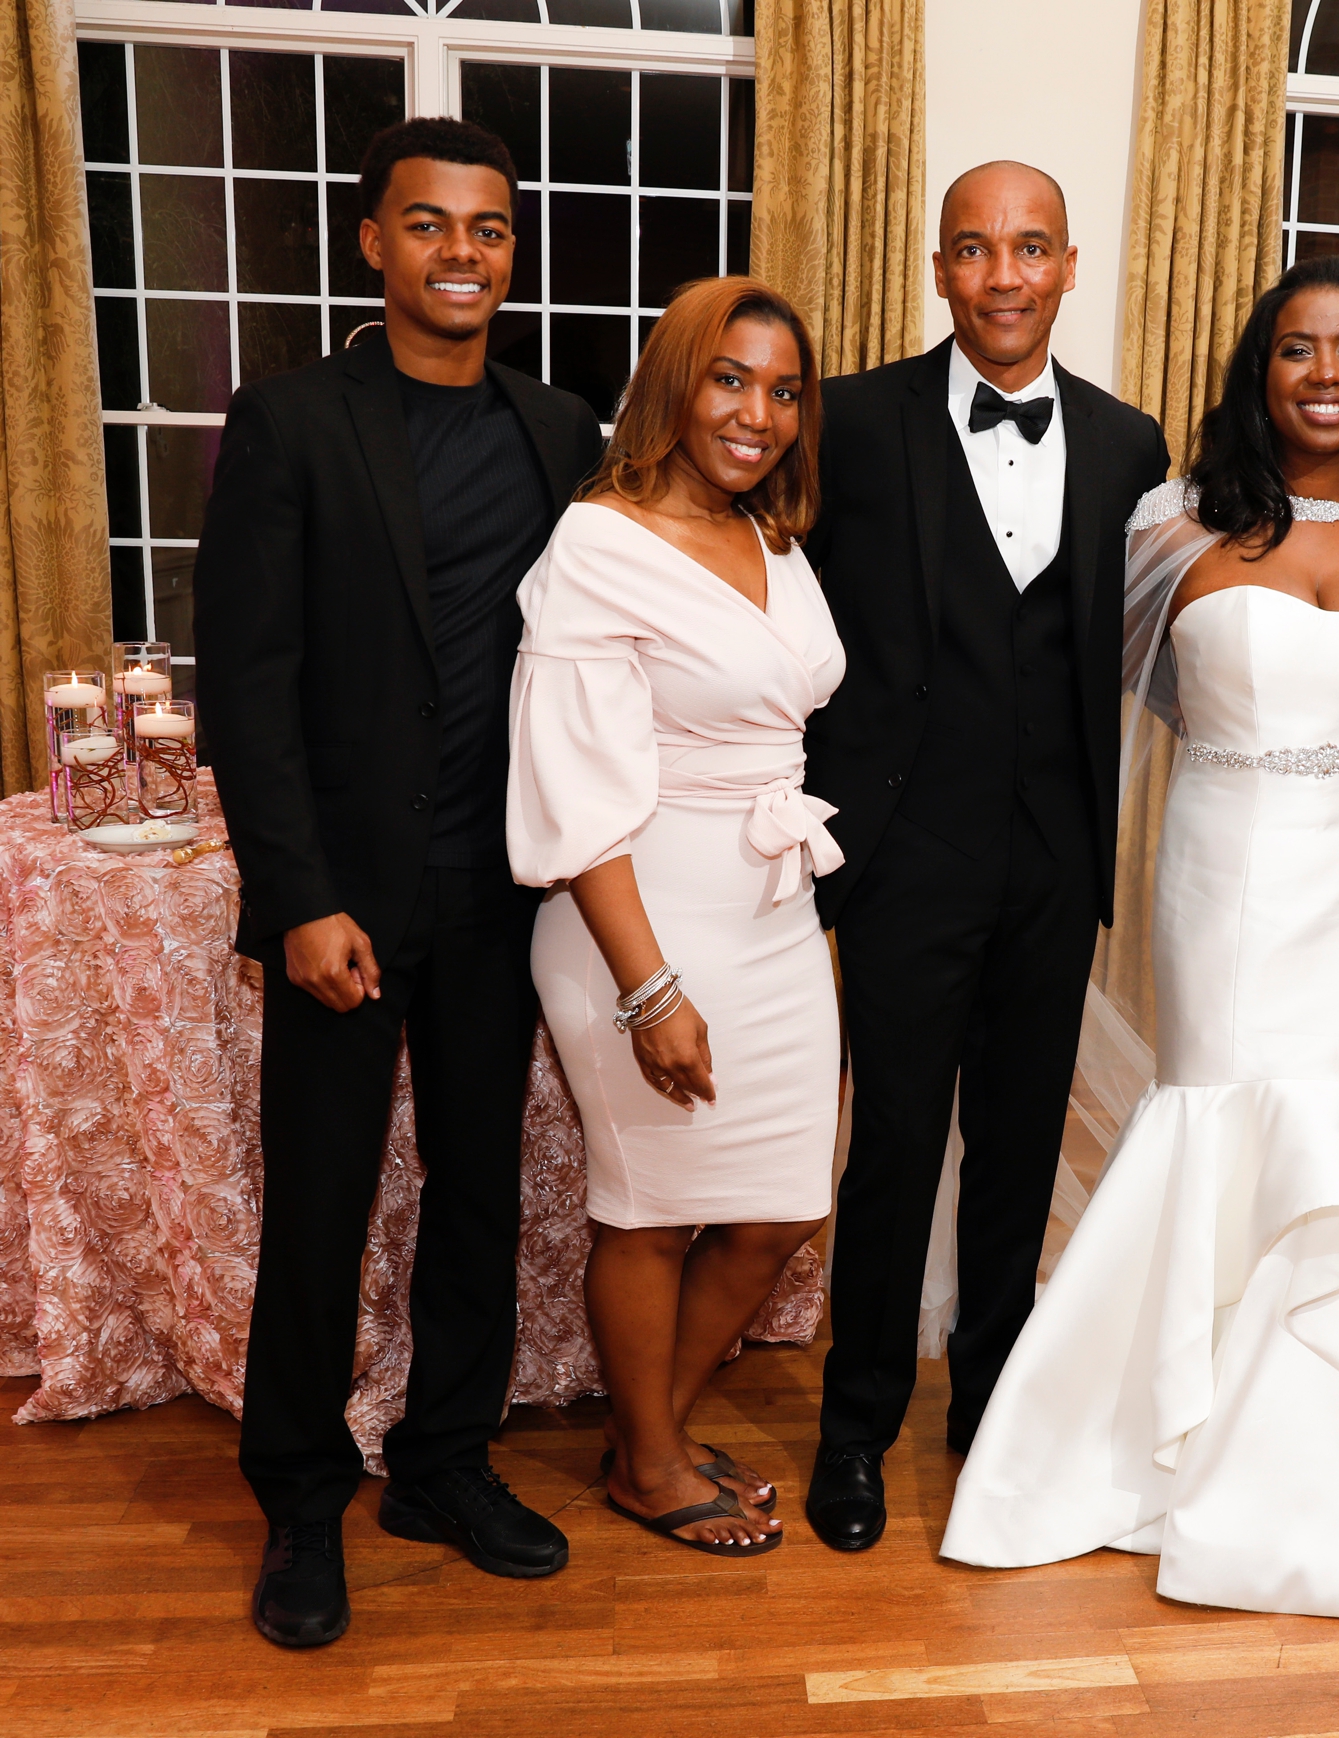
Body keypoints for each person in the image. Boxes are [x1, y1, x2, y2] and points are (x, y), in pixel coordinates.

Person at [940, 253, 1339, 1618]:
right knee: (1220, 1106)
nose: (1325, 374)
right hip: (1223, 871)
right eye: (1298, 348)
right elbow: (1112, 693)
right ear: (1260, 371)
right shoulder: (1173, 523)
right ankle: (1163, 1423)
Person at [195, 118, 603, 1648]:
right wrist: (297, 895)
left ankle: (443, 1462)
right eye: (429, 224)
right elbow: (248, 680)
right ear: (374, 241)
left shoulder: (557, 429)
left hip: (501, 895)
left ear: (513, 250)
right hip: (346, 903)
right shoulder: (292, 419)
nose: (461, 252)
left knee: (479, 1194)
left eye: (488, 228)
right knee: (321, 1201)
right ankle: (301, 1497)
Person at [800, 162, 1169, 1553]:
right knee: (895, 1144)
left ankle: (994, 1407)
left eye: (1028, 248)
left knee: (1019, 1144)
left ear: (1069, 265)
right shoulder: (847, 420)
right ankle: (856, 1423)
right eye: (973, 248)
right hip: (902, 853)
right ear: (939, 268)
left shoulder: (1130, 444)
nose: (1002, 275)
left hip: (1054, 859)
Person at [507, 277, 841, 1557]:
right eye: (729, 380)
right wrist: (648, 989)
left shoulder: (771, 537)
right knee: (649, 1207)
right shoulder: (599, 544)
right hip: (636, 917)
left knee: (779, 1206)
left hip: (768, 907)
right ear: (674, 386)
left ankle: (646, 1432)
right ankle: (649, 1464)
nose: (757, 413)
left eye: (782, 390)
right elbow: (574, 790)